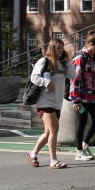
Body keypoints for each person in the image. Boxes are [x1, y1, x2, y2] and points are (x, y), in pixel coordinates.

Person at [27, 39, 72, 169]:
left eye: (62, 48)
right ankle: (54, 160)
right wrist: (46, 82)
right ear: (52, 48)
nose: (61, 50)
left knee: (48, 133)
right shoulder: (44, 61)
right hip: (44, 101)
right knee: (54, 129)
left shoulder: (62, 63)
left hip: (57, 102)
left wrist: (68, 62)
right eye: (58, 48)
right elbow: (34, 77)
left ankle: (33, 153)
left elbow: (73, 75)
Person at [68, 31, 95, 162]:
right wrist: (75, 99)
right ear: (91, 44)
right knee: (81, 122)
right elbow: (74, 78)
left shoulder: (94, 58)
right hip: (81, 99)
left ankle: (85, 144)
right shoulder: (81, 58)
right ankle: (79, 152)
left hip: (92, 97)